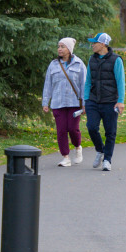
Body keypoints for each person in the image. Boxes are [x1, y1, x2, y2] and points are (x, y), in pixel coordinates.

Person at [41, 37, 86, 167]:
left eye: (63, 46)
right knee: (61, 131)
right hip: (58, 103)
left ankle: (78, 147)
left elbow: (84, 85)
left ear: (69, 49)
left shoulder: (79, 64)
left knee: (73, 129)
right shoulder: (53, 64)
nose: (59, 49)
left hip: (74, 103)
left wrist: (85, 104)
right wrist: (45, 102)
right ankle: (65, 157)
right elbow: (48, 84)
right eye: (59, 46)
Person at [84, 32, 125, 171]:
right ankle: (100, 150)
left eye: (94, 43)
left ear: (102, 44)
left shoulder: (116, 60)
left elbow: (121, 82)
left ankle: (107, 159)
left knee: (110, 132)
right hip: (93, 100)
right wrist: (86, 99)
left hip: (110, 101)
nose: (92, 45)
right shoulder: (92, 59)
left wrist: (120, 101)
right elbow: (88, 81)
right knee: (91, 127)